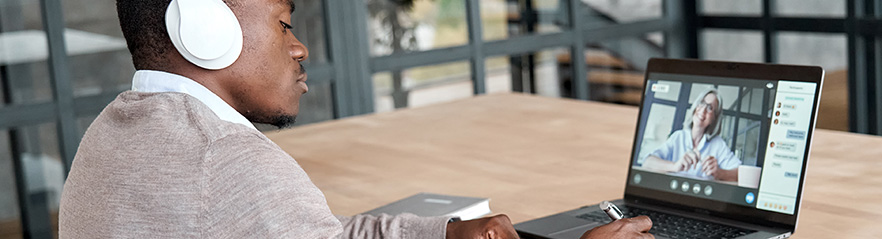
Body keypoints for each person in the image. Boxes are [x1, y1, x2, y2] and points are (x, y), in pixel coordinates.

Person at [58, 0, 653, 238]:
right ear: (205, 28)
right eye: (284, 22)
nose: (300, 47)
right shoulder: (226, 163)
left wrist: (444, 233)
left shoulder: (112, 136)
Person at [642, 89, 741, 182]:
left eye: (710, 108)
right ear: (695, 107)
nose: (703, 110)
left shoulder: (718, 144)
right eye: (701, 103)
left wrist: (719, 173)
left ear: (714, 119)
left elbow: (741, 174)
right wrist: (675, 166)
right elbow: (647, 163)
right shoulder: (678, 137)